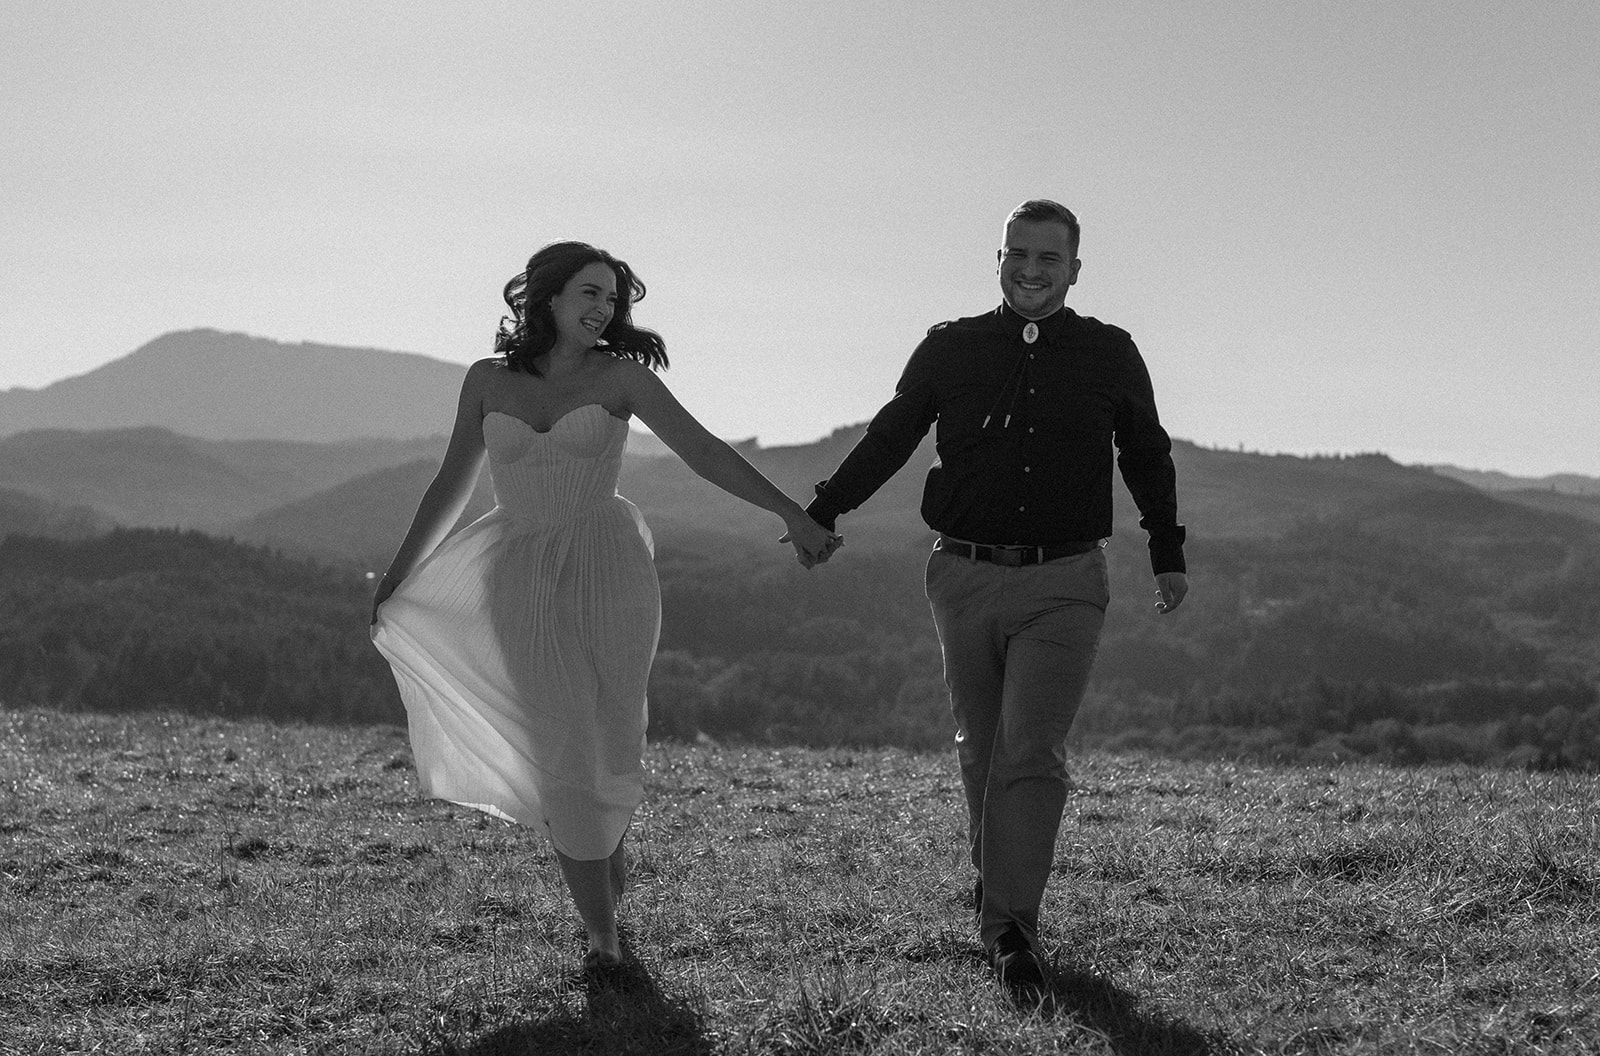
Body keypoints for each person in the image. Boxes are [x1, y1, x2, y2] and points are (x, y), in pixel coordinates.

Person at [370, 240, 837, 970]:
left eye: (613, 300)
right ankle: (603, 939)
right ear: (547, 298)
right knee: (563, 744)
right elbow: (451, 483)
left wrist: (792, 514)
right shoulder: (488, 380)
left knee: (610, 737)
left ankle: (599, 850)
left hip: (609, 572)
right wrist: (400, 575)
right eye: (589, 293)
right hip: (517, 575)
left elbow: (705, 451)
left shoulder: (624, 378)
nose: (603, 310)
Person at [803, 200, 1188, 989]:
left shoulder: (1110, 353)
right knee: (982, 747)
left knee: (1030, 749)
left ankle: (1012, 931)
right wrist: (823, 508)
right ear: (999, 257)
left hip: (1067, 579)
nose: (1032, 268)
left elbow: (1147, 452)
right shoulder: (950, 348)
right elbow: (891, 435)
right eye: (1019, 253)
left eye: (1049, 257)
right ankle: (999, 892)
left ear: (1075, 269)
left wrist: (1167, 552)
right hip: (963, 575)